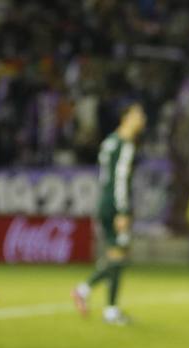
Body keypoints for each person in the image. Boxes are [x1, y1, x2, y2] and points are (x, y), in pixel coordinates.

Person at [73, 102, 146, 324]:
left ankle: (108, 308)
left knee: (116, 254)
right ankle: (86, 291)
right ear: (126, 118)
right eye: (138, 115)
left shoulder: (109, 142)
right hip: (115, 205)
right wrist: (122, 210)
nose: (142, 120)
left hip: (104, 201)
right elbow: (120, 180)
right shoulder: (125, 145)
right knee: (120, 255)